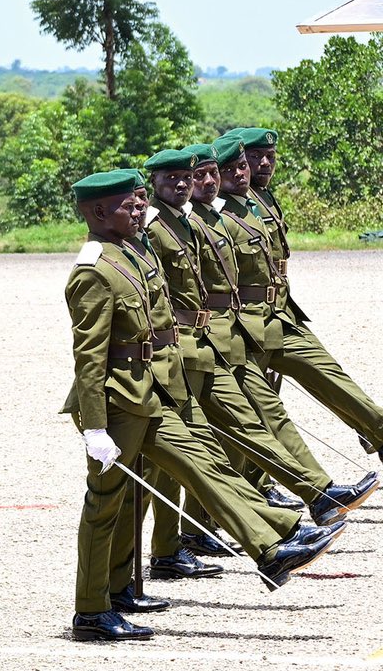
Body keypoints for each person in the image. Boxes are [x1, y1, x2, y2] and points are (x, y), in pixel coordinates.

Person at [61, 169, 333, 641]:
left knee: (205, 465)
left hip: (152, 392)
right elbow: (88, 357)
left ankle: (272, 544)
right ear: (99, 212)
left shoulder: (133, 249)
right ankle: (91, 611)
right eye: (129, 205)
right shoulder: (93, 271)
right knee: (105, 504)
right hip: (118, 403)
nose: (140, 209)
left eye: (140, 202)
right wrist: (95, 428)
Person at [138, 148, 367, 579]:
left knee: (228, 439)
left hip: (218, 340)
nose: (192, 183)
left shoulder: (195, 219)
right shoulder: (155, 228)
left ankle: (296, 512)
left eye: (200, 175)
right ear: (155, 184)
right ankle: (295, 512)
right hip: (183, 352)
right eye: (181, 177)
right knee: (187, 457)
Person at [239, 127, 383, 455]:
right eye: (255, 157)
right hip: (248, 319)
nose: (264, 164)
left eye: (270, 157)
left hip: (279, 308)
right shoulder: (232, 204)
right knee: (257, 406)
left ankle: (370, 425)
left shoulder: (264, 197)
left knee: (326, 374)